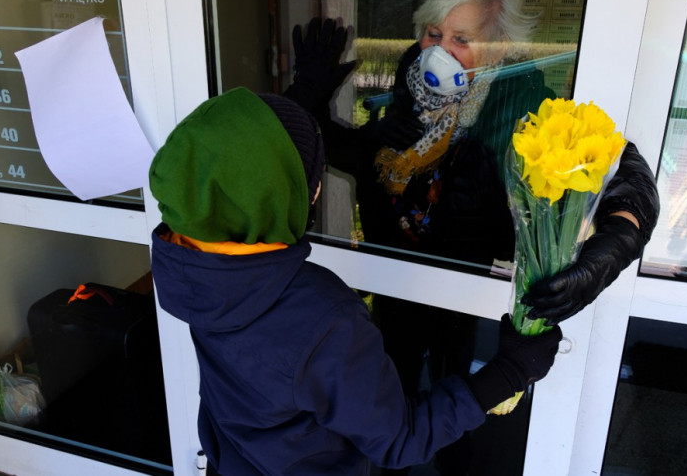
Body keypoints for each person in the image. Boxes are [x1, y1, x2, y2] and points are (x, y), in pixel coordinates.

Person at [285, 0, 660, 474]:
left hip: (463, 283)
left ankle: (455, 459)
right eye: (433, 34)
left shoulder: (523, 102)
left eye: (462, 39)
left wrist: (610, 250)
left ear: (500, 47)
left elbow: (621, 170)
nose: (439, 51)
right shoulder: (411, 87)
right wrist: (310, 98)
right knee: (388, 384)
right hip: (393, 275)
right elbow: (357, 158)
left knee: (454, 385)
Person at [148, 86, 564, 475]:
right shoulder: (322, 318)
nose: (316, 190)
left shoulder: (193, 269)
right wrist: (508, 372)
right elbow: (398, 439)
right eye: (311, 180)